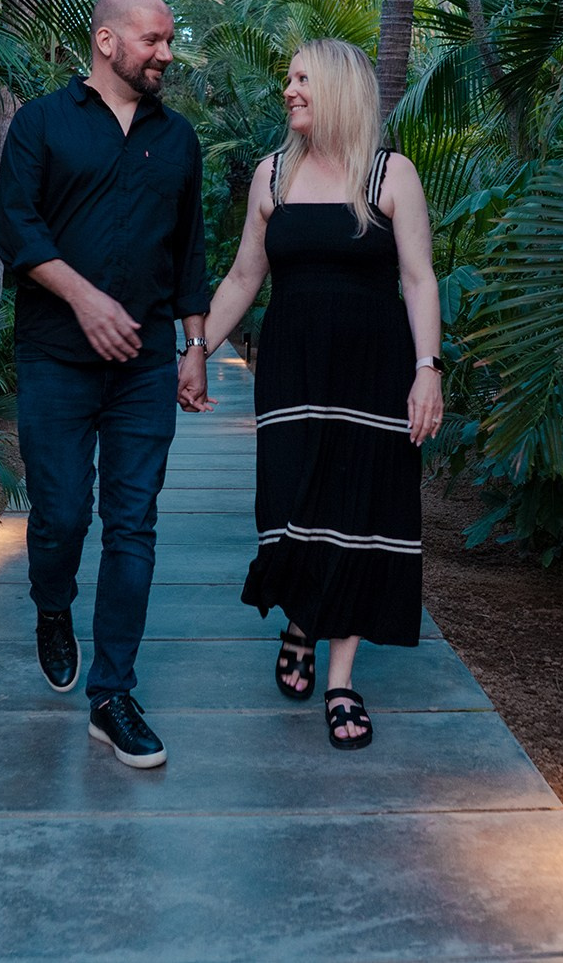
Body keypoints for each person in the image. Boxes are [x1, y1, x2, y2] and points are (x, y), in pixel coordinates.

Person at [181, 38, 443, 750]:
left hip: (374, 372)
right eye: (288, 79)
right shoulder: (271, 176)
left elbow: (418, 279)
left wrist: (428, 368)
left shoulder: (391, 175)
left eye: (301, 79)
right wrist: (196, 347)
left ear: (336, 88)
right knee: (293, 509)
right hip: (293, 371)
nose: (289, 90)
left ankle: (341, 677)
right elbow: (242, 278)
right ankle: (301, 619)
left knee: (358, 511)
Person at [0, 0, 209, 769]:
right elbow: (15, 228)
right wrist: (84, 299)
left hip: (147, 364)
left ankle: (112, 692)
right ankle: (53, 604)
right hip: (55, 356)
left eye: (169, 39)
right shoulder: (41, 124)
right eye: (153, 38)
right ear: (107, 42)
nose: (166, 52)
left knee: (133, 522)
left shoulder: (177, 139)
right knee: (59, 515)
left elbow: (190, 249)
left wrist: (194, 345)